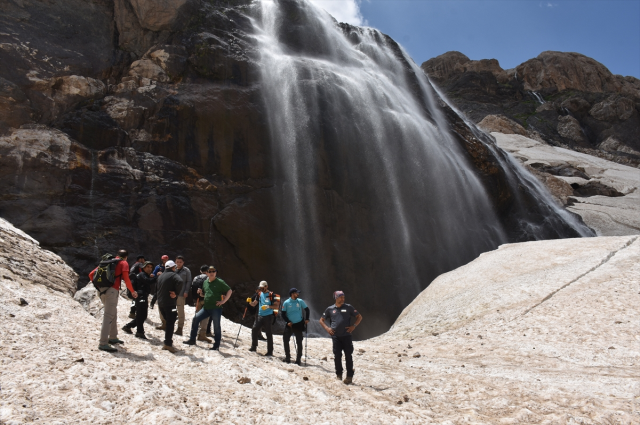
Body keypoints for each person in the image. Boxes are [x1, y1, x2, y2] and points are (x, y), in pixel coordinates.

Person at [89, 250, 138, 353]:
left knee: (113, 313)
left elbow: (91, 274)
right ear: (126, 257)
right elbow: (126, 279)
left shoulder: (108, 261)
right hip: (112, 291)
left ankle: (113, 337)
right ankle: (103, 343)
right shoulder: (123, 263)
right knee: (108, 316)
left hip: (101, 291)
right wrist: (132, 291)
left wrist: (100, 287)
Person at [183, 266, 232, 350]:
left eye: (213, 271)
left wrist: (223, 301)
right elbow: (204, 295)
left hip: (216, 308)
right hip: (206, 308)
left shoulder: (220, 282)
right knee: (195, 319)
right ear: (207, 273)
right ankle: (192, 339)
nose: (212, 273)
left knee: (216, 326)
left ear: (216, 272)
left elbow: (229, 290)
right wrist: (200, 293)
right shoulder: (205, 282)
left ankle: (216, 345)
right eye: (210, 271)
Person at [319, 291, 362, 384]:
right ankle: (339, 375)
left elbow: (359, 317)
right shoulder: (330, 309)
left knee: (348, 356)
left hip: (346, 336)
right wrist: (327, 328)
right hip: (336, 337)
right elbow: (321, 320)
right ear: (336, 298)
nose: (343, 299)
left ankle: (349, 376)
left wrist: (353, 326)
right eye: (340, 297)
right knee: (337, 356)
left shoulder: (348, 307)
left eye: (343, 297)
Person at [155, 260, 183, 353]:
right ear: (173, 267)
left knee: (168, 322)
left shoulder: (160, 276)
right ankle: (168, 344)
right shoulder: (173, 275)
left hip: (161, 303)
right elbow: (180, 281)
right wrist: (176, 293)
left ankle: (167, 341)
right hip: (169, 303)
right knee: (171, 322)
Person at [122, 261, 155, 339]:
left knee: (143, 315)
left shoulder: (145, 275)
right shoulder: (142, 275)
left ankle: (128, 326)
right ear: (143, 268)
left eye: (151, 267)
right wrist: (157, 277)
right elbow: (149, 281)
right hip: (140, 297)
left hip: (143, 296)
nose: (149, 269)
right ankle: (139, 332)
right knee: (141, 315)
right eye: (148, 267)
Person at [281, 288, 310, 365]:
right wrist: (288, 321)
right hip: (290, 325)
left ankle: (298, 359)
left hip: (299, 324)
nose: (298, 294)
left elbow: (307, 309)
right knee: (285, 339)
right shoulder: (286, 303)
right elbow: (283, 314)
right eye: (296, 293)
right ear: (292, 294)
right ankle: (287, 357)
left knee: (299, 341)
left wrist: (307, 319)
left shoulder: (300, 301)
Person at [249, 281, 276, 356]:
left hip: (268, 316)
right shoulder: (259, 294)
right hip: (260, 315)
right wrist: (250, 302)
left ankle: (270, 351)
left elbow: (276, 306)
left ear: (266, 286)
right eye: (260, 287)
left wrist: (268, 306)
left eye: (262, 287)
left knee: (268, 333)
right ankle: (254, 346)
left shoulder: (271, 295)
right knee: (254, 329)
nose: (261, 288)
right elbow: (254, 303)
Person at [191, 265, 211, 342]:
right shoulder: (208, 278)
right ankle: (202, 334)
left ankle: (193, 334)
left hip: (196, 300)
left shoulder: (196, 278)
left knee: (197, 316)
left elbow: (192, 288)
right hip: (205, 300)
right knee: (205, 317)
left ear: (200, 271)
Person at [174, 255, 192, 336]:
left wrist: (186, 291)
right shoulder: (172, 269)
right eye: (177, 262)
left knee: (180, 310)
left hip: (181, 293)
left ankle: (179, 328)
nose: (179, 263)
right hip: (172, 293)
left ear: (183, 262)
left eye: (180, 262)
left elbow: (188, 281)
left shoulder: (186, 270)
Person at [151, 255, 169, 330]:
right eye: (164, 260)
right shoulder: (158, 267)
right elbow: (154, 273)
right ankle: (152, 303)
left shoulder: (170, 267)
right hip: (159, 283)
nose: (165, 261)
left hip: (167, 285)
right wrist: (153, 275)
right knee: (157, 296)